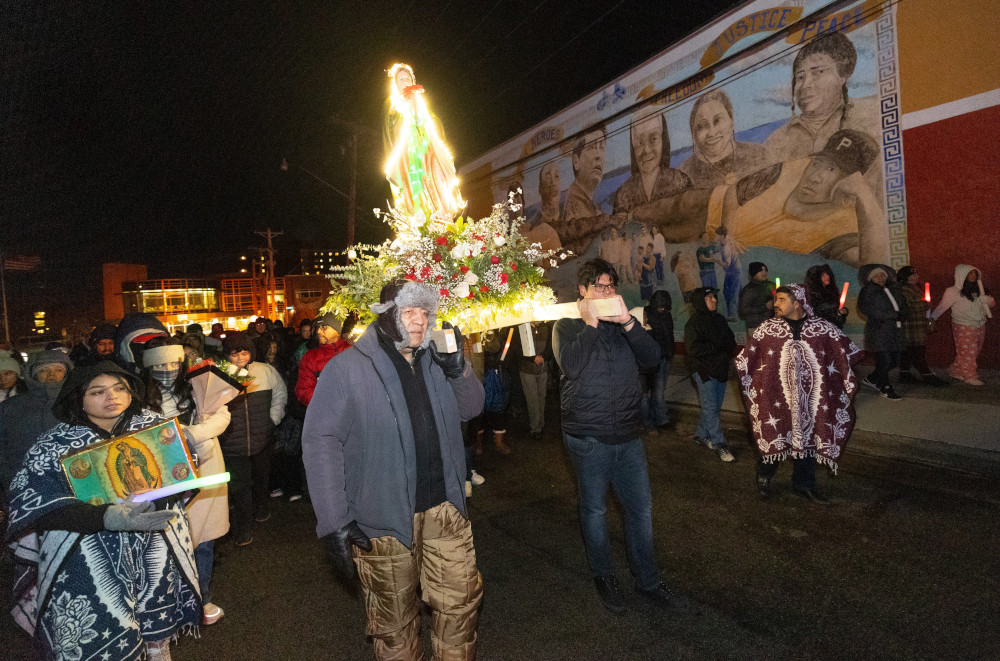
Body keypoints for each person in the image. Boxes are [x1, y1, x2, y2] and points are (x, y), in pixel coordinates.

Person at [302, 280, 485, 660]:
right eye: (408, 311)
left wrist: (460, 370)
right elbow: (320, 441)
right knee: (395, 626)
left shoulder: (437, 360)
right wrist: (334, 520)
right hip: (382, 523)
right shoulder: (348, 367)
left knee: (460, 609)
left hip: (445, 512)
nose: (419, 321)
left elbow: (472, 409)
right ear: (386, 315)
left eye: (425, 312)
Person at [6, 361, 200, 661]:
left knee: (156, 636)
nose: (112, 397)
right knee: (100, 638)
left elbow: (182, 471)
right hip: (85, 560)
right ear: (78, 399)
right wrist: (105, 517)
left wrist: (157, 499)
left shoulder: (154, 426)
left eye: (119, 388)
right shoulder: (53, 443)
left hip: (153, 545)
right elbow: (32, 503)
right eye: (97, 392)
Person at [553, 258, 688, 615]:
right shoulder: (566, 327)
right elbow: (572, 366)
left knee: (640, 509)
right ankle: (604, 576)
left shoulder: (625, 326)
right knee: (595, 510)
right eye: (600, 286)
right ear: (583, 290)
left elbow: (653, 359)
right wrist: (591, 323)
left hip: (628, 432)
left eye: (611, 286)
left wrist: (628, 322)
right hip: (588, 435)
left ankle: (647, 580)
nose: (608, 292)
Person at [735, 284, 862, 503]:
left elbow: (845, 353)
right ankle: (765, 475)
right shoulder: (767, 329)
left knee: (810, 440)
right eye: (776, 299)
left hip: (812, 400)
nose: (776, 304)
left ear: (797, 303)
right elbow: (747, 360)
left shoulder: (823, 329)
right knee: (774, 434)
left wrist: (841, 381)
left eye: (782, 299)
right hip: (777, 399)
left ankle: (804, 484)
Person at [140, 339, 231, 625]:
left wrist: (192, 434)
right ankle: (166, 604)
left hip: (203, 468)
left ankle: (200, 599)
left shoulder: (198, 386)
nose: (167, 370)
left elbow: (221, 415)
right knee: (164, 543)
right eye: (159, 364)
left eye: (173, 363)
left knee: (202, 540)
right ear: (147, 366)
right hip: (161, 473)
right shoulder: (138, 394)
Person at [719, 128, 887, 268]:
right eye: (816, 163)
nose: (814, 176)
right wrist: (727, 235)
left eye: (831, 170)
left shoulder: (843, 226)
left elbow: (873, 269)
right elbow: (735, 190)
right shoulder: (790, 170)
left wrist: (864, 194)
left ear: (850, 182)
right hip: (709, 209)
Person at [764, 32, 879, 172]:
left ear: (842, 76)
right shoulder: (777, 141)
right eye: (800, 77)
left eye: (818, 72)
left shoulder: (872, 117)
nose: (806, 84)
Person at [217, 332, 287, 546]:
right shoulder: (218, 374)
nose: (239, 358)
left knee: (261, 477)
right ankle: (244, 527)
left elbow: (280, 395)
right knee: (239, 486)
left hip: (261, 437)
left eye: (244, 352)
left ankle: (262, 507)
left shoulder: (265, 371)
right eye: (234, 354)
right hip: (232, 442)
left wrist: (273, 420)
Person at [383, 63, 464, 220]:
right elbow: (391, 133)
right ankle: (420, 226)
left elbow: (436, 126)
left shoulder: (423, 105)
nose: (405, 82)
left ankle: (441, 222)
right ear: (395, 83)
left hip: (428, 153)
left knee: (436, 187)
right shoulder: (392, 108)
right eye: (401, 79)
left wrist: (419, 112)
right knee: (413, 194)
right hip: (406, 157)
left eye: (408, 78)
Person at [0, 349, 73, 495]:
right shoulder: (10, 407)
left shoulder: (78, 403)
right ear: (33, 375)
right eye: (44, 371)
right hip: (26, 488)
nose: (52, 375)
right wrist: (10, 485)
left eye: (58, 370)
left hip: (74, 484)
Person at [684, 286, 737, 462]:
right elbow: (693, 348)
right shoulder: (694, 323)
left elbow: (730, 340)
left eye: (714, 297)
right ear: (700, 302)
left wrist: (726, 349)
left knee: (713, 408)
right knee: (710, 408)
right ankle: (719, 444)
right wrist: (717, 347)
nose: (714, 300)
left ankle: (700, 435)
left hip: (720, 370)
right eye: (710, 298)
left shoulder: (720, 320)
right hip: (704, 372)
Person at [557, 126, 627, 255]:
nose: (598, 156)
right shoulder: (575, 202)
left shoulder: (589, 204)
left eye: (602, 148)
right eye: (591, 148)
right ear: (576, 162)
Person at [679, 89, 770, 188]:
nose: (712, 133)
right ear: (693, 134)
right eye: (702, 126)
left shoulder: (758, 154)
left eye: (717, 120)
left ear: (731, 122)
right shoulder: (684, 174)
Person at [931, 265, 995, 386]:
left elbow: (990, 304)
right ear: (962, 275)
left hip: (980, 323)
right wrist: (932, 318)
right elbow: (942, 306)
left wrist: (988, 301)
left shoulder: (980, 290)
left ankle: (956, 370)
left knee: (974, 350)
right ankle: (969, 375)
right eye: (969, 274)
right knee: (969, 351)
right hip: (963, 325)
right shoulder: (953, 291)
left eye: (974, 274)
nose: (972, 276)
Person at [857, 264, 907, 399]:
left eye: (882, 275)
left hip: (894, 330)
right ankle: (884, 386)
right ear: (870, 278)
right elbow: (868, 309)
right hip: (879, 330)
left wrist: (903, 313)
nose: (880, 278)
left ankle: (872, 378)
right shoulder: (868, 291)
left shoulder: (892, 289)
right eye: (876, 276)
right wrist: (892, 315)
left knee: (894, 360)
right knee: (885, 359)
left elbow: (902, 304)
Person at [894, 266, 945, 386]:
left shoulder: (916, 287)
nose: (917, 277)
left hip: (918, 324)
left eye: (917, 274)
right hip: (910, 325)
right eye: (913, 275)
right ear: (906, 277)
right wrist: (925, 304)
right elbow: (906, 307)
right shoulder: (903, 290)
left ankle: (905, 374)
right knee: (917, 351)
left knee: (909, 351)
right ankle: (926, 374)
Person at [642, 290, 674, 430]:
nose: (662, 309)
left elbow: (669, 335)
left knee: (659, 391)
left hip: (665, 357)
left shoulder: (667, 315)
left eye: (665, 307)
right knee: (657, 391)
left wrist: (670, 351)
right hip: (655, 359)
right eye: (660, 306)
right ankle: (661, 419)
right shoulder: (647, 314)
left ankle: (655, 416)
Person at [517, 322, 553, 440]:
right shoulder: (522, 327)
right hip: (527, 369)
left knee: (541, 397)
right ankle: (535, 428)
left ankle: (541, 424)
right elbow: (518, 347)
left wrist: (543, 356)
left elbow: (551, 344)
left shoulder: (546, 326)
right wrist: (533, 358)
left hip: (543, 368)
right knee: (532, 398)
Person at [805, 263, 849, 328]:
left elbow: (838, 308)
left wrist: (843, 311)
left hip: (834, 329)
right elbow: (818, 313)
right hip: (820, 330)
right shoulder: (811, 294)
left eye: (827, 274)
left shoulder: (832, 291)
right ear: (816, 278)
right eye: (822, 275)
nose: (827, 277)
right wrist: (837, 313)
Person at [738, 262, 774, 332]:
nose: (764, 273)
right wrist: (765, 307)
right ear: (754, 273)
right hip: (755, 328)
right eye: (761, 270)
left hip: (771, 327)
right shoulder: (748, 289)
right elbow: (742, 311)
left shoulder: (771, 286)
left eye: (765, 270)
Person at [715, 225, 742, 320]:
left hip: (734, 271)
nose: (715, 237)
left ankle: (733, 315)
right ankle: (731, 313)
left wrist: (717, 261)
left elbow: (727, 264)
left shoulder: (726, 248)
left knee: (732, 293)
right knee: (727, 292)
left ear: (722, 236)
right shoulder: (726, 239)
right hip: (732, 271)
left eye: (717, 235)